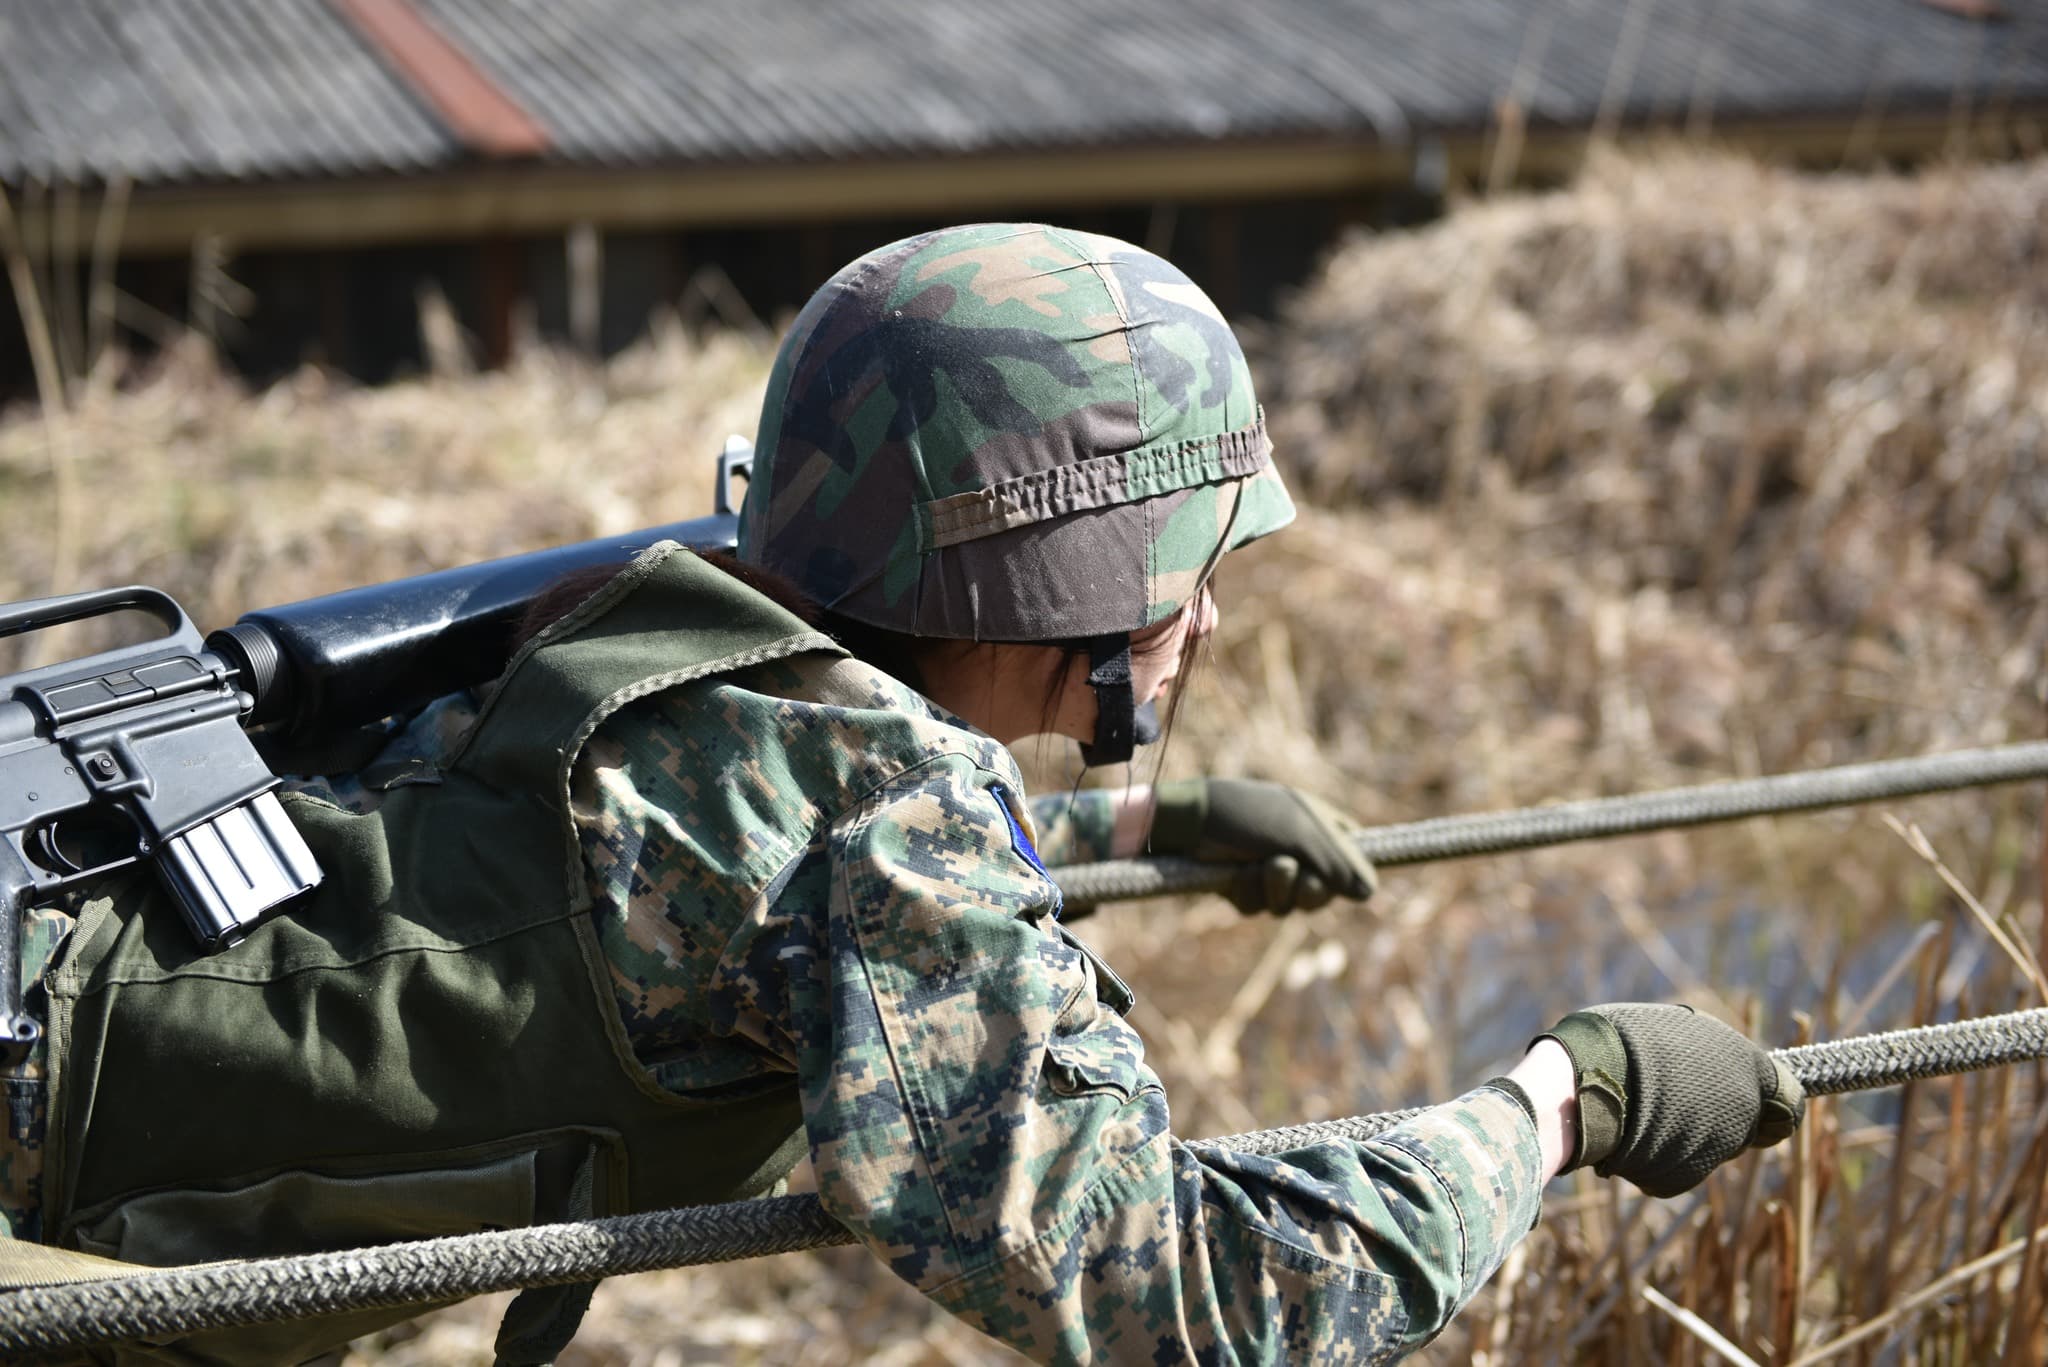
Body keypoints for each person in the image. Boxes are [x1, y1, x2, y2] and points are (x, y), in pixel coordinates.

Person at [0, 223, 1803, 1366]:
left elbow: (719, 894)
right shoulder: (887, 821)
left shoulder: (692, 642)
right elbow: (1199, 1297)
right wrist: (1566, 1102)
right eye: (1188, 571)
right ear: (1068, 595)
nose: (1208, 614)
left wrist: (1140, 827)